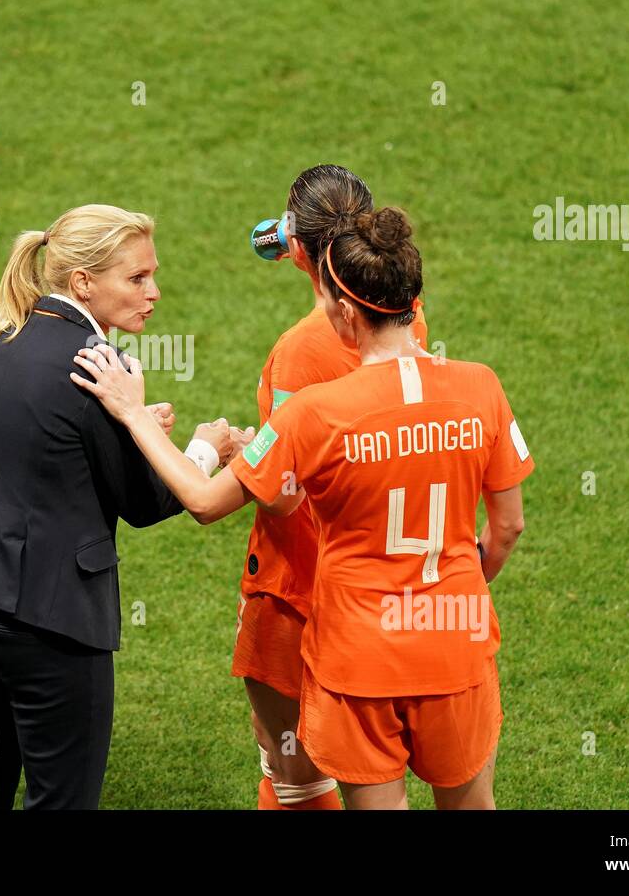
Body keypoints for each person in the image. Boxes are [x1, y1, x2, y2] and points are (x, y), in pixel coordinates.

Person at [71, 206, 532, 810]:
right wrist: (465, 579)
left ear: (344, 311)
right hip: (456, 637)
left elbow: (206, 501)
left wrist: (134, 415)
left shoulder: (313, 414)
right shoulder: (482, 387)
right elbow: (509, 525)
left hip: (362, 655)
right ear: (412, 304)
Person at [0, 204, 237, 809]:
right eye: (137, 278)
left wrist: (136, 428)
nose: (154, 292)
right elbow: (145, 501)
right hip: (49, 615)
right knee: (62, 799)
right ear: (84, 283)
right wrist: (201, 448)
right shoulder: (100, 369)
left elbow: (40, 458)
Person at [233, 165, 429, 810]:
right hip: (385, 580)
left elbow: (284, 490)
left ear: (296, 243)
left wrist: (240, 450)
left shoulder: (299, 351)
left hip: (299, 581)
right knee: (373, 763)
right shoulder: (405, 313)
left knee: (294, 770)